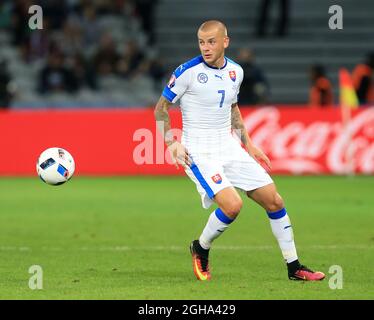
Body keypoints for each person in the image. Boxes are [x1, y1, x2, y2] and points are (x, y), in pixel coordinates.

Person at [154, 20, 325, 281]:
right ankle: (201, 247)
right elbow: (161, 109)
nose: (205, 47)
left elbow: (233, 109)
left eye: (211, 41)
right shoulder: (186, 72)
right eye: (201, 42)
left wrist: (249, 143)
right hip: (198, 151)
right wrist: (170, 142)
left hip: (229, 146)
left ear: (225, 42)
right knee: (232, 206)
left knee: (274, 200)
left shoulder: (236, 71)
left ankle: (294, 267)